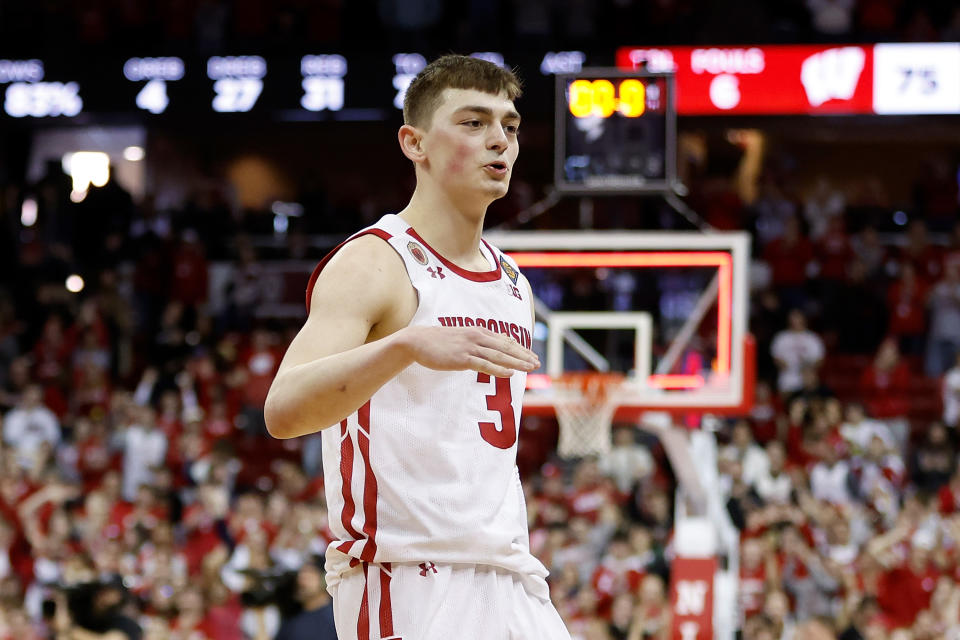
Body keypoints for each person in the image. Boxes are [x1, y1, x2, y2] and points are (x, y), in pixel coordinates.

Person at [264, 55, 569, 640]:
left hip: (508, 573)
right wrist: (404, 346)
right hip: (405, 578)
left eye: (509, 125)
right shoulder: (375, 262)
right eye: (473, 123)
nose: (498, 142)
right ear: (415, 143)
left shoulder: (513, 282)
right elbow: (283, 410)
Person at [274, 561, 337, 640]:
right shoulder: (291, 616)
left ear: (324, 579)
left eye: (308, 576)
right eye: (300, 576)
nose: (301, 581)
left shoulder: (337, 615)